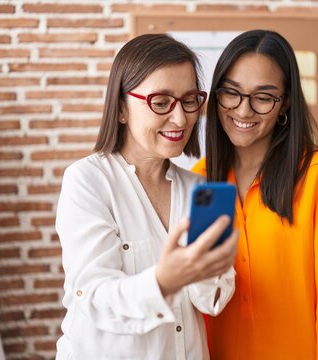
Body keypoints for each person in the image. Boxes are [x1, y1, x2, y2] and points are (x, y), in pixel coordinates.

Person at [55, 33, 238, 360]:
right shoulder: (88, 181)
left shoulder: (199, 191)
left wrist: (209, 268)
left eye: (189, 100)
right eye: (161, 101)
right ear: (122, 108)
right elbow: (94, 296)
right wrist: (163, 282)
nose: (181, 118)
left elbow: (212, 301)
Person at [192, 29, 318, 359]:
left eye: (263, 97)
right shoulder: (199, 182)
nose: (243, 111)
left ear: (285, 102)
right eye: (232, 93)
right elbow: (199, 302)